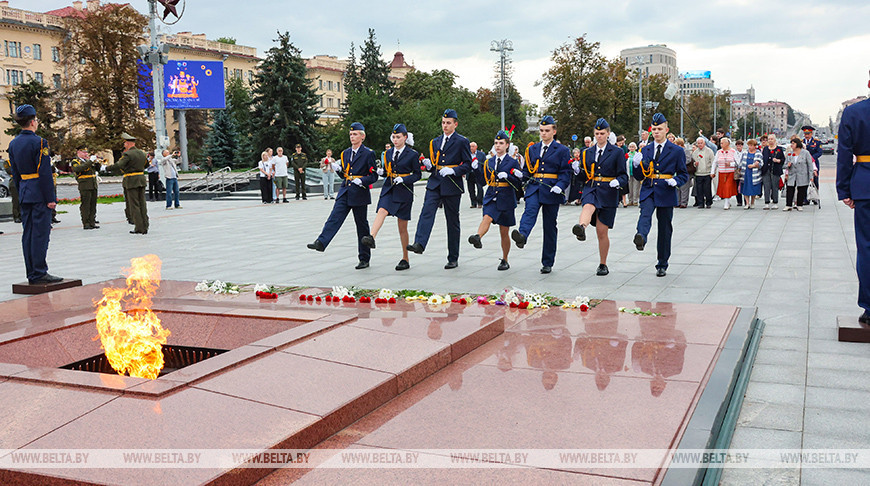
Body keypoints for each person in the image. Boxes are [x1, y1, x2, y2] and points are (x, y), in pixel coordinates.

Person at [307, 122, 378, 269]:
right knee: (334, 217)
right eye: (351, 134)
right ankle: (321, 242)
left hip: (359, 193)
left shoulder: (368, 153)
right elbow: (344, 172)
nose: (352, 136)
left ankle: (364, 258)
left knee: (361, 226)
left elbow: (374, 176)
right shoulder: (345, 153)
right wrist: (338, 168)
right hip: (346, 190)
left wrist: (362, 180)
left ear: (362, 136)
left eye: (355, 134)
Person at [407, 109, 471, 269]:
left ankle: (453, 257)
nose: (445, 126)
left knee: (452, 221)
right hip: (435, 182)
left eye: (448, 123)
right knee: (427, 211)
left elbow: (468, 164)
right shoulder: (435, 141)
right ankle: (419, 243)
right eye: (443, 122)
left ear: (455, 124)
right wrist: (429, 166)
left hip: (452, 184)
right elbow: (436, 164)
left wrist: (454, 170)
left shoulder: (462, 141)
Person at [7, 104, 62, 283]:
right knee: (40, 234)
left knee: (28, 234)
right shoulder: (39, 142)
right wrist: (50, 198)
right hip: (39, 193)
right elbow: (45, 172)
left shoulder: (13, 143)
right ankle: (39, 272)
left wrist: (22, 191)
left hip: (25, 192)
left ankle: (31, 272)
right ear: (32, 122)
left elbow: (15, 173)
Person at [510, 115, 572, 274]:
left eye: (546, 130)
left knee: (550, 226)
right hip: (535, 187)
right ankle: (522, 235)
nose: (543, 133)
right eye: (541, 131)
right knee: (530, 210)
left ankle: (547, 261)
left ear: (554, 131)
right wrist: (520, 174)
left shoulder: (563, 150)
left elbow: (566, 172)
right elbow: (528, 171)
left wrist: (560, 186)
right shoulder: (533, 149)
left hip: (551, 189)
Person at [631, 113, 688, 277]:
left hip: (666, 190)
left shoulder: (676, 151)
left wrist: (675, 181)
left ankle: (662, 263)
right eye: (654, 129)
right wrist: (636, 165)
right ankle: (641, 236)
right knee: (645, 213)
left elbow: (684, 174)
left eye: (659, 129)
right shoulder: (646, 149)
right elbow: (640, 176)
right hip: (649, 187)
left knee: (664, 228)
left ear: (666, 129)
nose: (656, 132)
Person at [570, 118, 628, 276]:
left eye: (602, 133)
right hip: (592, 187)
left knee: (602, 232)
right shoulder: (587, 152)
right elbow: (584, 175)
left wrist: (618, 181)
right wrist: (576, 171)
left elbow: (624, 175)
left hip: (609, 191)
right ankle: (581, 227)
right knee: (587, 205)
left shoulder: (617, 152)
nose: (599, 136)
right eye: (597, 134)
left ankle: (603, 263)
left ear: (608, 134)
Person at [362, 123, 422, 271]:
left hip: (404, 191)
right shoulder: (388, 153)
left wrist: (405, 179)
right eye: (393, 137)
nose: (395, 140)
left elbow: (417, 174)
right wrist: (382, 172)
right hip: (389, 188)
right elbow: (388, 170)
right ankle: (371, 237)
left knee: (402, 227)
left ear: (405, 137)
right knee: (382, 210)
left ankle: (405, 258)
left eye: (398, 137)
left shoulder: (412, 154)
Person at [835, 73, 870, 325]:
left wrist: (844, 189)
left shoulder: (854, 112)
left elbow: (845, 154)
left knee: (867, 248)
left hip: (865, 185)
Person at [467, 130, 522, 270]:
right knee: (487, 217)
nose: (498, 146)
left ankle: (505, 259)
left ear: (507, 145)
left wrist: (509, 177)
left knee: (504, 232)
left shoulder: (512, 162)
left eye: (501, 143)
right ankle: (478, 237)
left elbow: (517, 184)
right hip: (491, 195)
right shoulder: (489, 162)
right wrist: (476, 170)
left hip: (506, 198)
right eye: (496, 143)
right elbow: (483, 182)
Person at [116, 133, 149, 234]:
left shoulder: (128, 154)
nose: (124, 144)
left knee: (134, 205)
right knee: (142, 203)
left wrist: (108, 168)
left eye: (125, 142)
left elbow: (119, 165)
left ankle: (139, 227)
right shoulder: (142, 153)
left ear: (128, 143)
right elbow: (146, 164)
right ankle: (145, 225)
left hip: (131, 180)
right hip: (141, 179)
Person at [71, 146, 100, 229]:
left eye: (86, 152)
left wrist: (97, 162)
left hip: (93, 184)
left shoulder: (88, 161)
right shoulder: (75, 161)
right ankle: (86, 223)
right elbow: (78, 169)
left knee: (93, 204)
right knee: (86, 204)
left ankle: (92, 222)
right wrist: (90, 161)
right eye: (83, 152)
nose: (86, 154)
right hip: (84, 185)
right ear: (78, 152)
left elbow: (98, 169)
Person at [783, 138, 814, 211]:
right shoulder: (790, 154)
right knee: (790, 189)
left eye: (793, 143)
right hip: (792, 174)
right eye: (791, 143)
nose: (791, 145)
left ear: (797, 144)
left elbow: (810, 165)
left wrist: (811, 176)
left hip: (802, 174)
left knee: (801, 189)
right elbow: (784, 165)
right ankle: (788, 205)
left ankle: (799, 204)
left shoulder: (805, 153)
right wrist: (788, 165)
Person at [712, 137, 739, 209]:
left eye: (722, 143)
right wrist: (712, 172)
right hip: (721, 172)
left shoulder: (733, 151)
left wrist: (731, 164)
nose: (721, 145)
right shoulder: (719, 152)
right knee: (723, 188)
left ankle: (726, 203)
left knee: (728, 186)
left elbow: (738, 163)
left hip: (730, 172)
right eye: (720, 143)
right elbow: (715, 162)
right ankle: (728, 201)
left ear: (727, 144)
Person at [761, 134, 785, 209]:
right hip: (766, 170)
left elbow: (783, 160)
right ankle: (766, 202)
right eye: (769, 139)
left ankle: (775, 202)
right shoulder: (765, 149)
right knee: (766, 186)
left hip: (775, 170)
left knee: (775, 186)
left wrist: (778, 160)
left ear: (775, 140)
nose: (770, 140)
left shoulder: (779, 149)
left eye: (772, 139)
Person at [691, 137, 715, 208]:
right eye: (698, 143)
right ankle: (700, 203)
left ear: (704, 143)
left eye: (701, 143)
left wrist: (712, 171)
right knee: (699, 189)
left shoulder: (709, 151)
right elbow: (693, 162)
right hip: (698, 173)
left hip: (707, 173)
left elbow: (713, 162)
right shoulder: (695, 152)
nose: (700, 145)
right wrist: (695, 164)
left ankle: (708, 202)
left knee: (707, 189)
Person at [740, 139, 763, 208]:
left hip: (754, 174)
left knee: (753, 188)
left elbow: (761, 164)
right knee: (745, 188)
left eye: (751, 145)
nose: (749, 147)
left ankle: (752, 202)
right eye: (749, 145)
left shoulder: (758, 153)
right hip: (745, 173)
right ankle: (747, 203)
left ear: (755, 146)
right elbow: (740, 162)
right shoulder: (745, 153)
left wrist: (754, 165)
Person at [802, 125, 823, 203]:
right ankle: (805, 199)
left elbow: (820, 152)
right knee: (804, 181)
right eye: (805, 134)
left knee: (815, 180)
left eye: (808, 134)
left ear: (811, 134)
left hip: (814, 163)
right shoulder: (801, 142)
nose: (806, 135)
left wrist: (811, 158)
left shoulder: (816, 142)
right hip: (803, 164)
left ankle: (815, 197)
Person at [675, 138, 694, 208]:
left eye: (676, 144)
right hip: (677, 172)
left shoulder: (686, 151)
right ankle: (677, 202)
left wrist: (680, 164)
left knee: (684, 188)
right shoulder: (675, 151)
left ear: (680, 144)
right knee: (677, 187)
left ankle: (683, 202)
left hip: (684, 171)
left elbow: (688, 159)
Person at [467, 142, 486, 209]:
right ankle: (473, 202)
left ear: (476, 147)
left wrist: (483, 174)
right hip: (470, 174)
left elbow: (484, 165)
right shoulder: (467, 154)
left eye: (472, 146)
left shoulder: (481, 154)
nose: (471, 148)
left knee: (480, 188)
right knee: (471, 189)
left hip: (479, 174)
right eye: (470, 146)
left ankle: (480, 202)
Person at [2, 158, 21, 223]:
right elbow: (9, 170)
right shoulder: (7, 162)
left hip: (22, 182)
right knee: (16, 200)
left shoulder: (20, 160)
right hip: (14, 182)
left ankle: (22, 215)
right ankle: (16, 216)